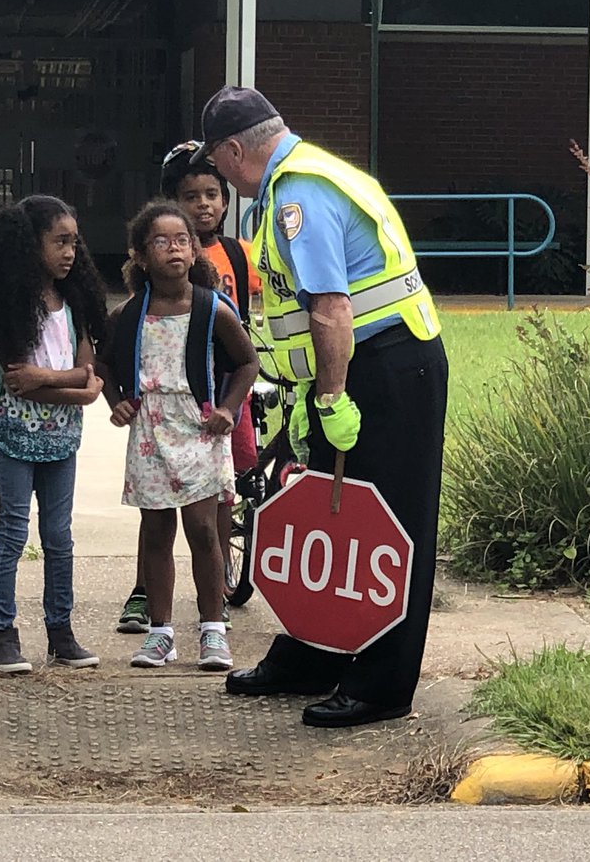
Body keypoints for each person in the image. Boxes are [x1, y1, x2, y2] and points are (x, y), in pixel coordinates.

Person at [196, 85, 449, 728]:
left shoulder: (299, 195)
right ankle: (313, 651)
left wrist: (330, 395)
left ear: (233, 151)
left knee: (389, 527)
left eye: (214, 161)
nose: (213, 175)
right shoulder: (301, 178)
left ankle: (382, 684)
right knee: (329, 517)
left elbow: (331, 307)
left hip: (385, 369)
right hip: (359, 369)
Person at [103, 201, 259, 670]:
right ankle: (161, 633)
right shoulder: (130, 314)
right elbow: (102, 362)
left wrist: (229, 410)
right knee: (155, 532)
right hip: (151, 431)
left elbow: (246, 362)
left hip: (199, 429)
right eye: (160, 241)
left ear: (195, 252)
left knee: (203, 529)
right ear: (141, 256)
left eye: (182, 241)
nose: (173, 249)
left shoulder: (212, 309)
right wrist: (118, 400)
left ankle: (213, 631)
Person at [0, 194, 110, 674]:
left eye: (74, 242)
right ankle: (2, 634)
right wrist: (76, 389)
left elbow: (82, 371)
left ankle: (60, 632)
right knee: (12, 533)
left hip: (62, 439)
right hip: (14, 436)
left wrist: (50, 380)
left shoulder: (75, 301)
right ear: (30, 244)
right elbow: (17, 380)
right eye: (59, 241)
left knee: (58, 536)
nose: (70, 252)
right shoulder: (8, 304)